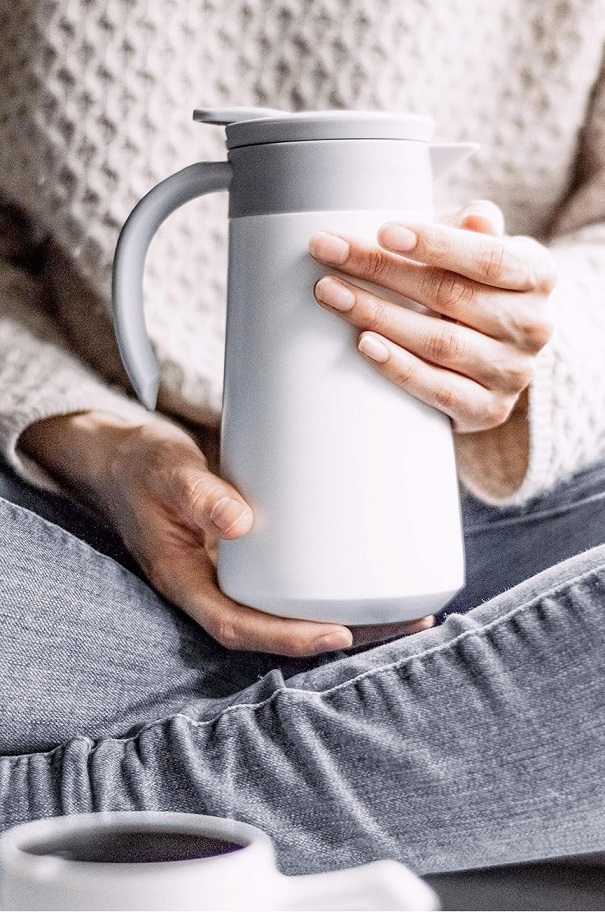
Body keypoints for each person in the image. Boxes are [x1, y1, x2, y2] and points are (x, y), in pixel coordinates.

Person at [0, 0, 604, 880]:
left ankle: (69, 820)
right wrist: (98, 438)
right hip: (88, 512)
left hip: (515, 504)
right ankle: (444, 738)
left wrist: (526, 340)